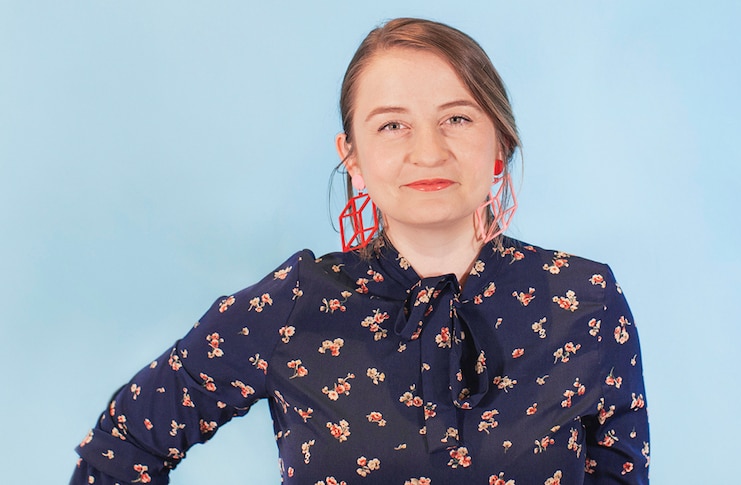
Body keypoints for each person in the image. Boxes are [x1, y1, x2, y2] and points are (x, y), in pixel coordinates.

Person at [71, 17, 649, 484]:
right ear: (352, 157)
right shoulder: (294, 305)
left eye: (456, 118)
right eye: (393, 126)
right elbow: (122, 449)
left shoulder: (585, 299)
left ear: (499, 142)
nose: (429, 152)